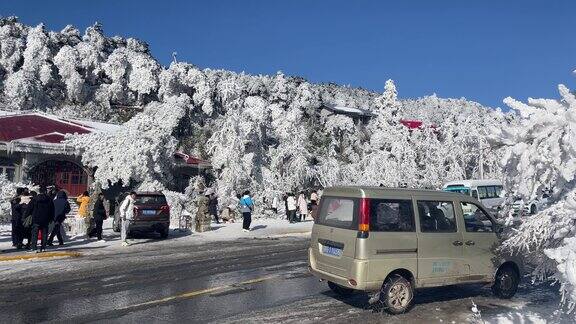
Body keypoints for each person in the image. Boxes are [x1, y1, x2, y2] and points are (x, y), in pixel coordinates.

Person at [28, 187, 55, 253]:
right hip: (46, 219)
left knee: (35, 234)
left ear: (39, 191)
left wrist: (26, 216)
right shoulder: (49, 199)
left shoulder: (34, 199)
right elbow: (52, 210)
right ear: (45, 191)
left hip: (36, 218)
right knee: (44, 234)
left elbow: (29, 208)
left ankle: (34, 247)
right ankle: (43, 247)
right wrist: (51, 218)